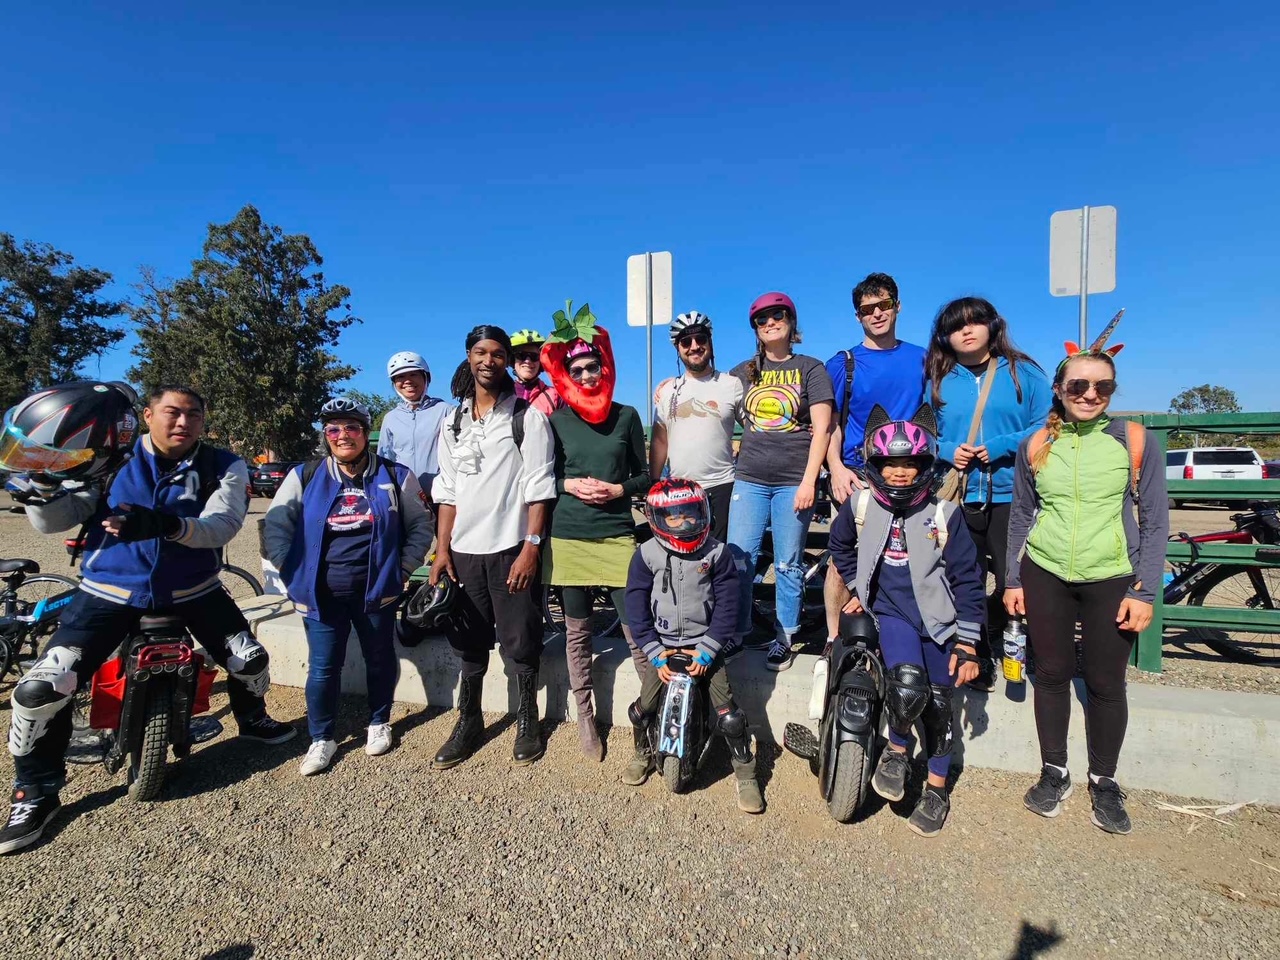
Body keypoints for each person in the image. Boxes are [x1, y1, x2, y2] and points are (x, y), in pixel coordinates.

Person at [0, 382, 295, 855]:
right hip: (110, 592)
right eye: (172, 412)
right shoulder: (107, 455)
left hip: (194, 589)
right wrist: (43, 489)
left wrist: (166, 525)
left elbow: (223, 525)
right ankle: (35, 792)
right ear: (147, 415)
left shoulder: (224, 464)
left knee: (250, 661)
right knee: (41, 688)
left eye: (194, 415)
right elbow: (55, 521)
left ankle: (253, 717)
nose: (183, 422)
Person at [1004, 315, 1167, 835]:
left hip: (1110, 574)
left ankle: (1105, 780)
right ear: (1059, 389)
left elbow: (1157, 520)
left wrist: (1144, 589)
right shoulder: (1035, 444)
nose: (1090, 394)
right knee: (1049, 675)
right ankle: (1055, 771)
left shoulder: (1134, 441)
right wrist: (1012, 580)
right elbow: (1021, 517)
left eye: (1103, 386)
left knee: (1104, 681)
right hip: (1046, 570)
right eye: (1079, 384)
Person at [827, 404, 984, 837]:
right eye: (889, 464)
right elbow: (840, 547)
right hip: (892, 613)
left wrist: (968, 643)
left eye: (910, 464)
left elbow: (968, 580)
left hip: (938, 620)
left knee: (937, 706)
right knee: (907, 682)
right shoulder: (860, 504)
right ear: (874, 465)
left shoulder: (943, 514)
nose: (899, 473)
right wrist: (860, 590)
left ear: (925, 465)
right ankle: (896, 750)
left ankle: (936, 789)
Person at [263, 397, 432, 776]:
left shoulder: (394, 475)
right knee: (323, 668)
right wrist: (288, 569)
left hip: (377, 591)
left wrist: (403, 568)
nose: (344, 436)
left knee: (379, 658)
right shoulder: (304, 476)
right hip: (321, 594)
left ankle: (378, 721)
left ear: (364, 433)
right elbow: (276, 525)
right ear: (326, 436)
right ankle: (321, 737)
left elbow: (421, 525)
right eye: (334, 429)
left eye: (352, 427)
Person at [430, 325, 557, 769]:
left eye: (498, 354)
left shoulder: (527, 417)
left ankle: (528, 717)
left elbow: (540, 489)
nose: (489, 360)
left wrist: (531, 547)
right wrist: (441, 550)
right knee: (468, 641)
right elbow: (446, 490)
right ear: (469, 357)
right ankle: (469, 719)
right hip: (463, 551)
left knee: (520, 640)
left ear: (507, 361)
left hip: (510, 547)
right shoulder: (452, 420)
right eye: (481, 352)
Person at [540, 303, 651, 760]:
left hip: (616, 533)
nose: (586, 375)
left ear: (605, 368)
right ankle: (586, 717)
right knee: (577, 633)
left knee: (636, 628)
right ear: (566, 375)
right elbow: (542, 477)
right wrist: (567, 483)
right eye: (577, 369)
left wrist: (617, 487)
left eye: (593, 366)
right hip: (568, 536)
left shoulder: (626, 416)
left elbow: (645, 476)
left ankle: (651, 711)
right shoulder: (556, 419)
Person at [926, 297, 1052, 689]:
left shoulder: (1023, 373)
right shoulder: (939, 379)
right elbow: (923, 432)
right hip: (959, 497)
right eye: (955, 327)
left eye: (974, 322)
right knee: (965, 578)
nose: (966, 331)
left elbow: (1048, 425)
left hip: (1011, 496)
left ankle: (1015, 647)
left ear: (992, 326)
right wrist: (947, 450)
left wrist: (1001, 446)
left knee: (1015, 578)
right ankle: (974, 655)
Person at [622, 479, 764, 813]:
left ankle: (746, 775)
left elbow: (729, 604)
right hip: (664, 647)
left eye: (690, 515)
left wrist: (710, 649)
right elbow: (636, 605)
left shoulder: (716, 553)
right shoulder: (646, 555)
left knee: (729, 714)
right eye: (674, 517)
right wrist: (654, 652)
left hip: (705, 647)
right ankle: (642, 753)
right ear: (656, 518)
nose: (684, 523)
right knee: (642, 709)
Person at [822, 273, 927, 658]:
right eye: (868, 309)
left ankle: (894, 635)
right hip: (858, 475)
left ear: (897, 306)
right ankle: (834, 640)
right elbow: (829, 423)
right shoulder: (843, 363)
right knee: (842, 558)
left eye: (884, 305)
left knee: (903, 560)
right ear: (858, 316)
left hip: (910, 475)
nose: (877, 314)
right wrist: (835, 467)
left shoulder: (924, 359)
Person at [728, 292, 834, 671]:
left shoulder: (810, 368)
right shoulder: (743, 371)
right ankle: (735, 633)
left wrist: (810, 481)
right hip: (750, 478)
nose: (770, 322)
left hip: (794, 479)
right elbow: (713, 405)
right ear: (755, 330)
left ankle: (785, 636)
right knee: (739, 559)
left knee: (788, 563)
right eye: (762, 319)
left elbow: (823, 428)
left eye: (778, 316)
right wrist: (669, 389)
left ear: (791, 322)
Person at [649, 311, 744, 542]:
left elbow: (755, 426)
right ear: (677, 348)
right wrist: (653, 484)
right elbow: (660, 440)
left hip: (723, 486)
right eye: (685, 342)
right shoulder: (668, 390)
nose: (694, 346)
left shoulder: (731, 384)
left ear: (710, 342)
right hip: (681, 490)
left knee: (720, 558)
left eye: (700, 339)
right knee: (686, 562)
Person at [376, 351, 453, 501]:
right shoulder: (391, 418)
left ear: (426, 378)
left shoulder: (446, 411)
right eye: (400, 377)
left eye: (413, 374)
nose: (407, 381)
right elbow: (385, 458)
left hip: (440, 498)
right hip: (403, 499)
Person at [509, 329, 565, 416]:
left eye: (534, 357)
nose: (528, 361)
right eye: (521, 356)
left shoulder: (555, 396)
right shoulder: (500, 393)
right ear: (513, 360)